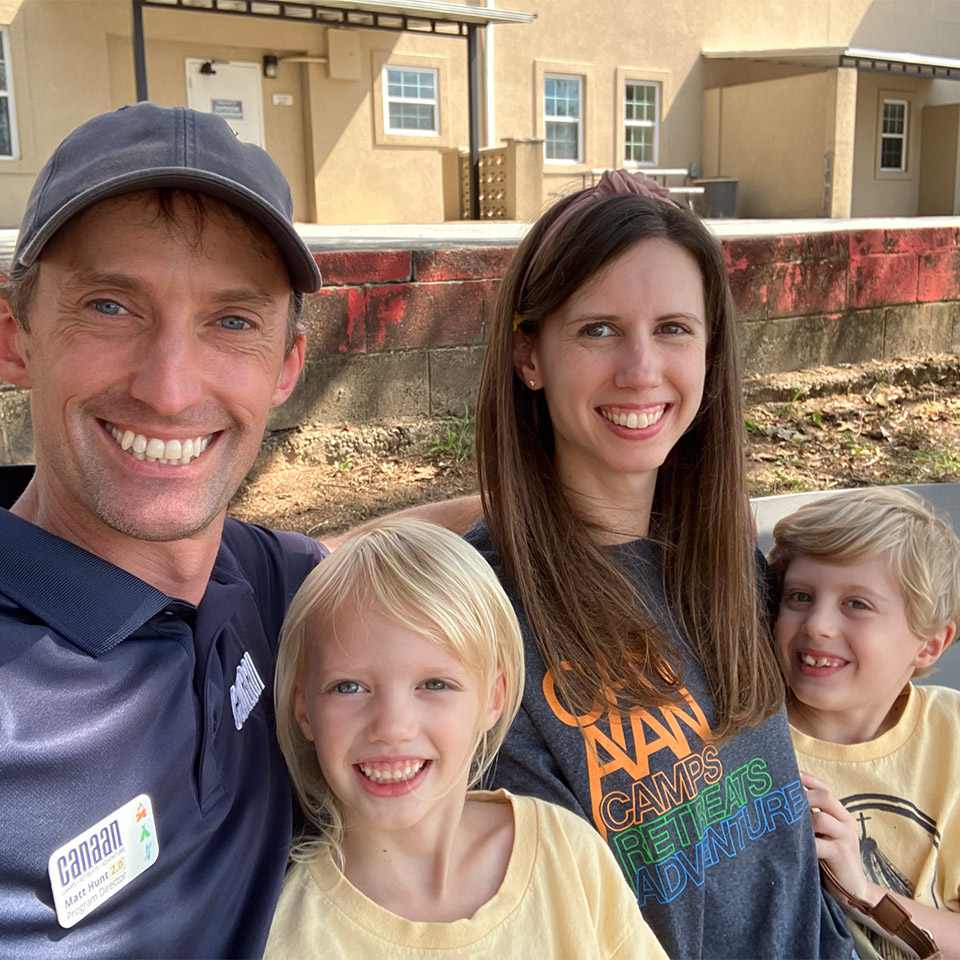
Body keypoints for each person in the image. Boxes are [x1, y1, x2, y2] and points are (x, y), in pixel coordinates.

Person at [0, 103, 475, 957]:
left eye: (231, 321)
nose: (171, 388)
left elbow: (377, 552)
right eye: (110, 306)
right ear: (16, 338)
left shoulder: (257, 580)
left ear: (287, 367)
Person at [465, 170, 854, 958]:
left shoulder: (725, 561)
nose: (642, 370)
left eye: (674, 328)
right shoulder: (480, 621)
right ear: (529, 357)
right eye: (598, 329)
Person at [264, 516, 667, 959]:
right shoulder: (287, 931)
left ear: (493, 698)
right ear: (304, 709)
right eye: (349, 687)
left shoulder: (567, 854)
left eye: (434, 684)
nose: (393, 727)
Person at [768, 487, 960, 956]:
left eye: (857, 604)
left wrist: (865, 893)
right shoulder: (746, 735)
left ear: (930, 644)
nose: (817, 624)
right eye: (799, 596)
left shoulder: (950, 733)